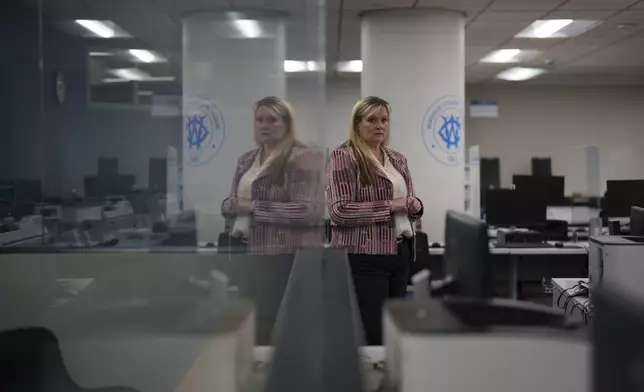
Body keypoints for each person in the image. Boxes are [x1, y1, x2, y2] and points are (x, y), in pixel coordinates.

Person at [221, 96, 323, 344]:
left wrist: (253, 208)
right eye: (259, 120)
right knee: (251, 323)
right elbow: (234, 202)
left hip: (282, 255)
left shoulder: (303, 157)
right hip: (245, 250)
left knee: (277, 325)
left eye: (272, 120)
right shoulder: (247, 160)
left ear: (287, 124)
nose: (264, 126)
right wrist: (229, 206)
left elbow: (308, 211)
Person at [325, 96, 424, 345]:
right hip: (365, 257)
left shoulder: (398, 159)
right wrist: (392, 206)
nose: (380, 125)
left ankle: (392, 379)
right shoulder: (343, 157)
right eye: (371, 120)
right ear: (357, 124)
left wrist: (416, 206)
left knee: (395, 330)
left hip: (401, 251)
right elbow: (340, 212)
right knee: (373, 331)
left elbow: (408, 203)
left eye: (384, 120)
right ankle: (370, 381)